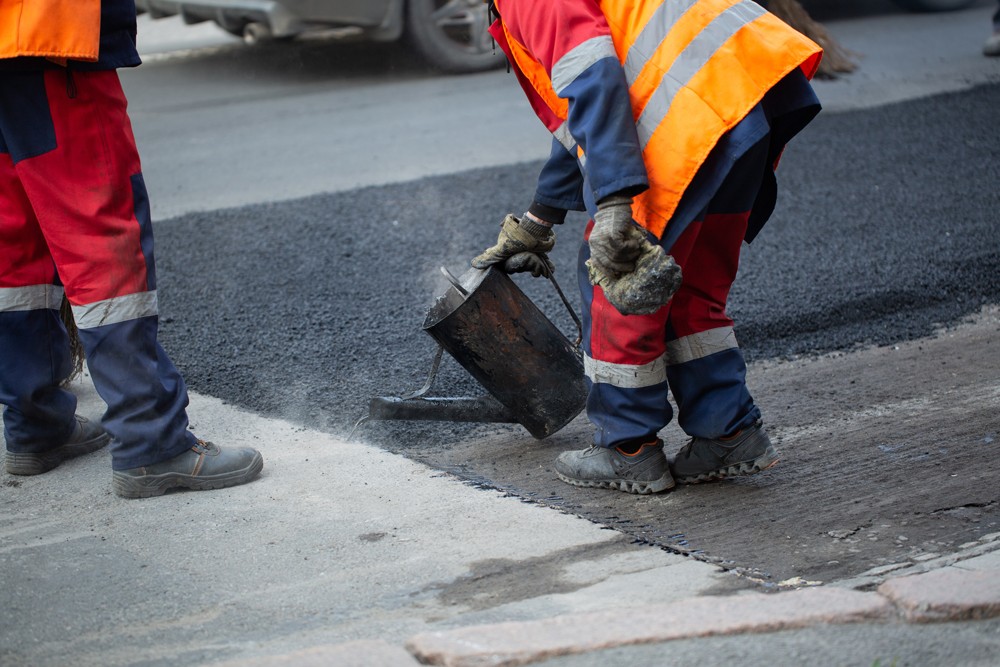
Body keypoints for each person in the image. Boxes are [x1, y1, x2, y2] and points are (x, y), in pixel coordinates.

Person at [473, 0, 823, 494]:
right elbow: (588, 114)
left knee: (616, 281)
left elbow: (594, 80)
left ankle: (627, 448)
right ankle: (730, 433)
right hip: (740, 105)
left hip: (690, 121)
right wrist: (538, 218)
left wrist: (615, 201)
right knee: (691, 288)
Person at [0, 0, 263, 498]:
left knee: (15, 245)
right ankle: (153, 444)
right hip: (47, 37)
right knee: (101, 241)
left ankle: (33, 424)